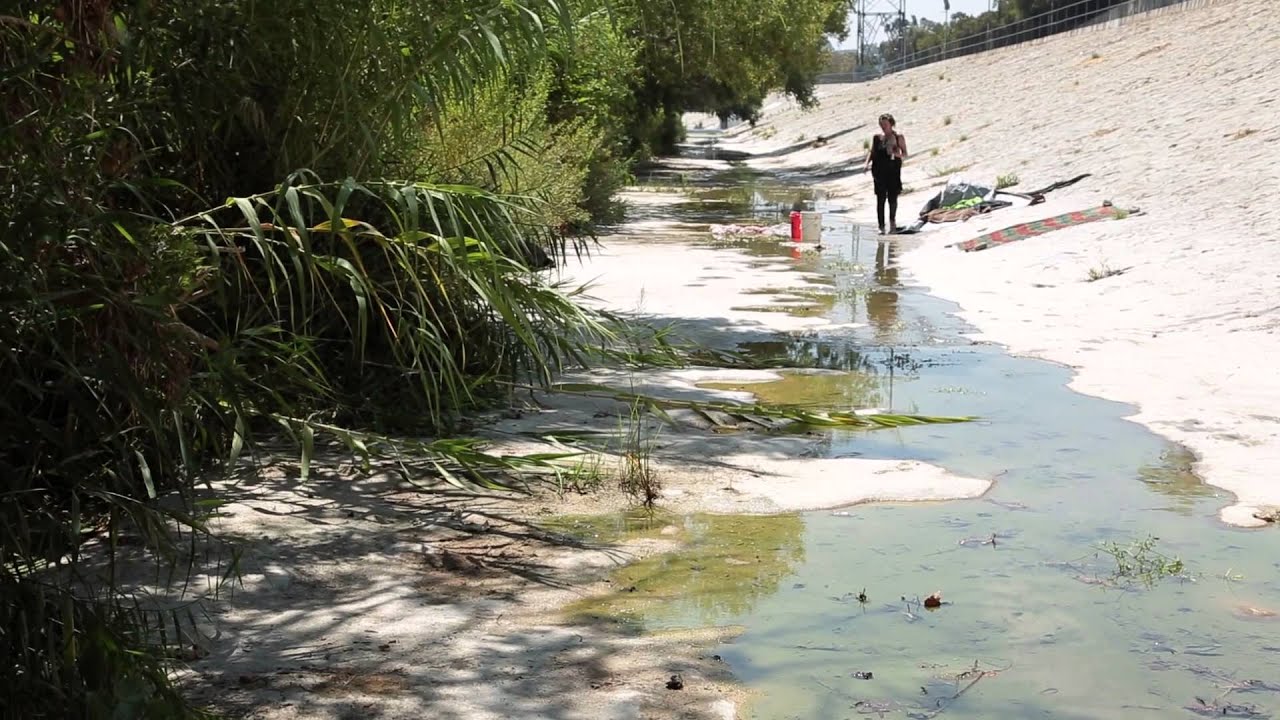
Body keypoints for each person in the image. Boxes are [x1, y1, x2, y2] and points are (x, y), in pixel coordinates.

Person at [863, 113, 907, 234]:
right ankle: (881, 226)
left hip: (893, 170)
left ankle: (892, 223)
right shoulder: (877, 138)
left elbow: (905, 154)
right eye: (881, 124)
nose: (883, 126)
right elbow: (872, 152)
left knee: (893, 198)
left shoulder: (898, 137)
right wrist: (866, 164)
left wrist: (894, 153)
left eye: (885, 124)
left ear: (891, 124)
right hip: (879, 171)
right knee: (880, 199)